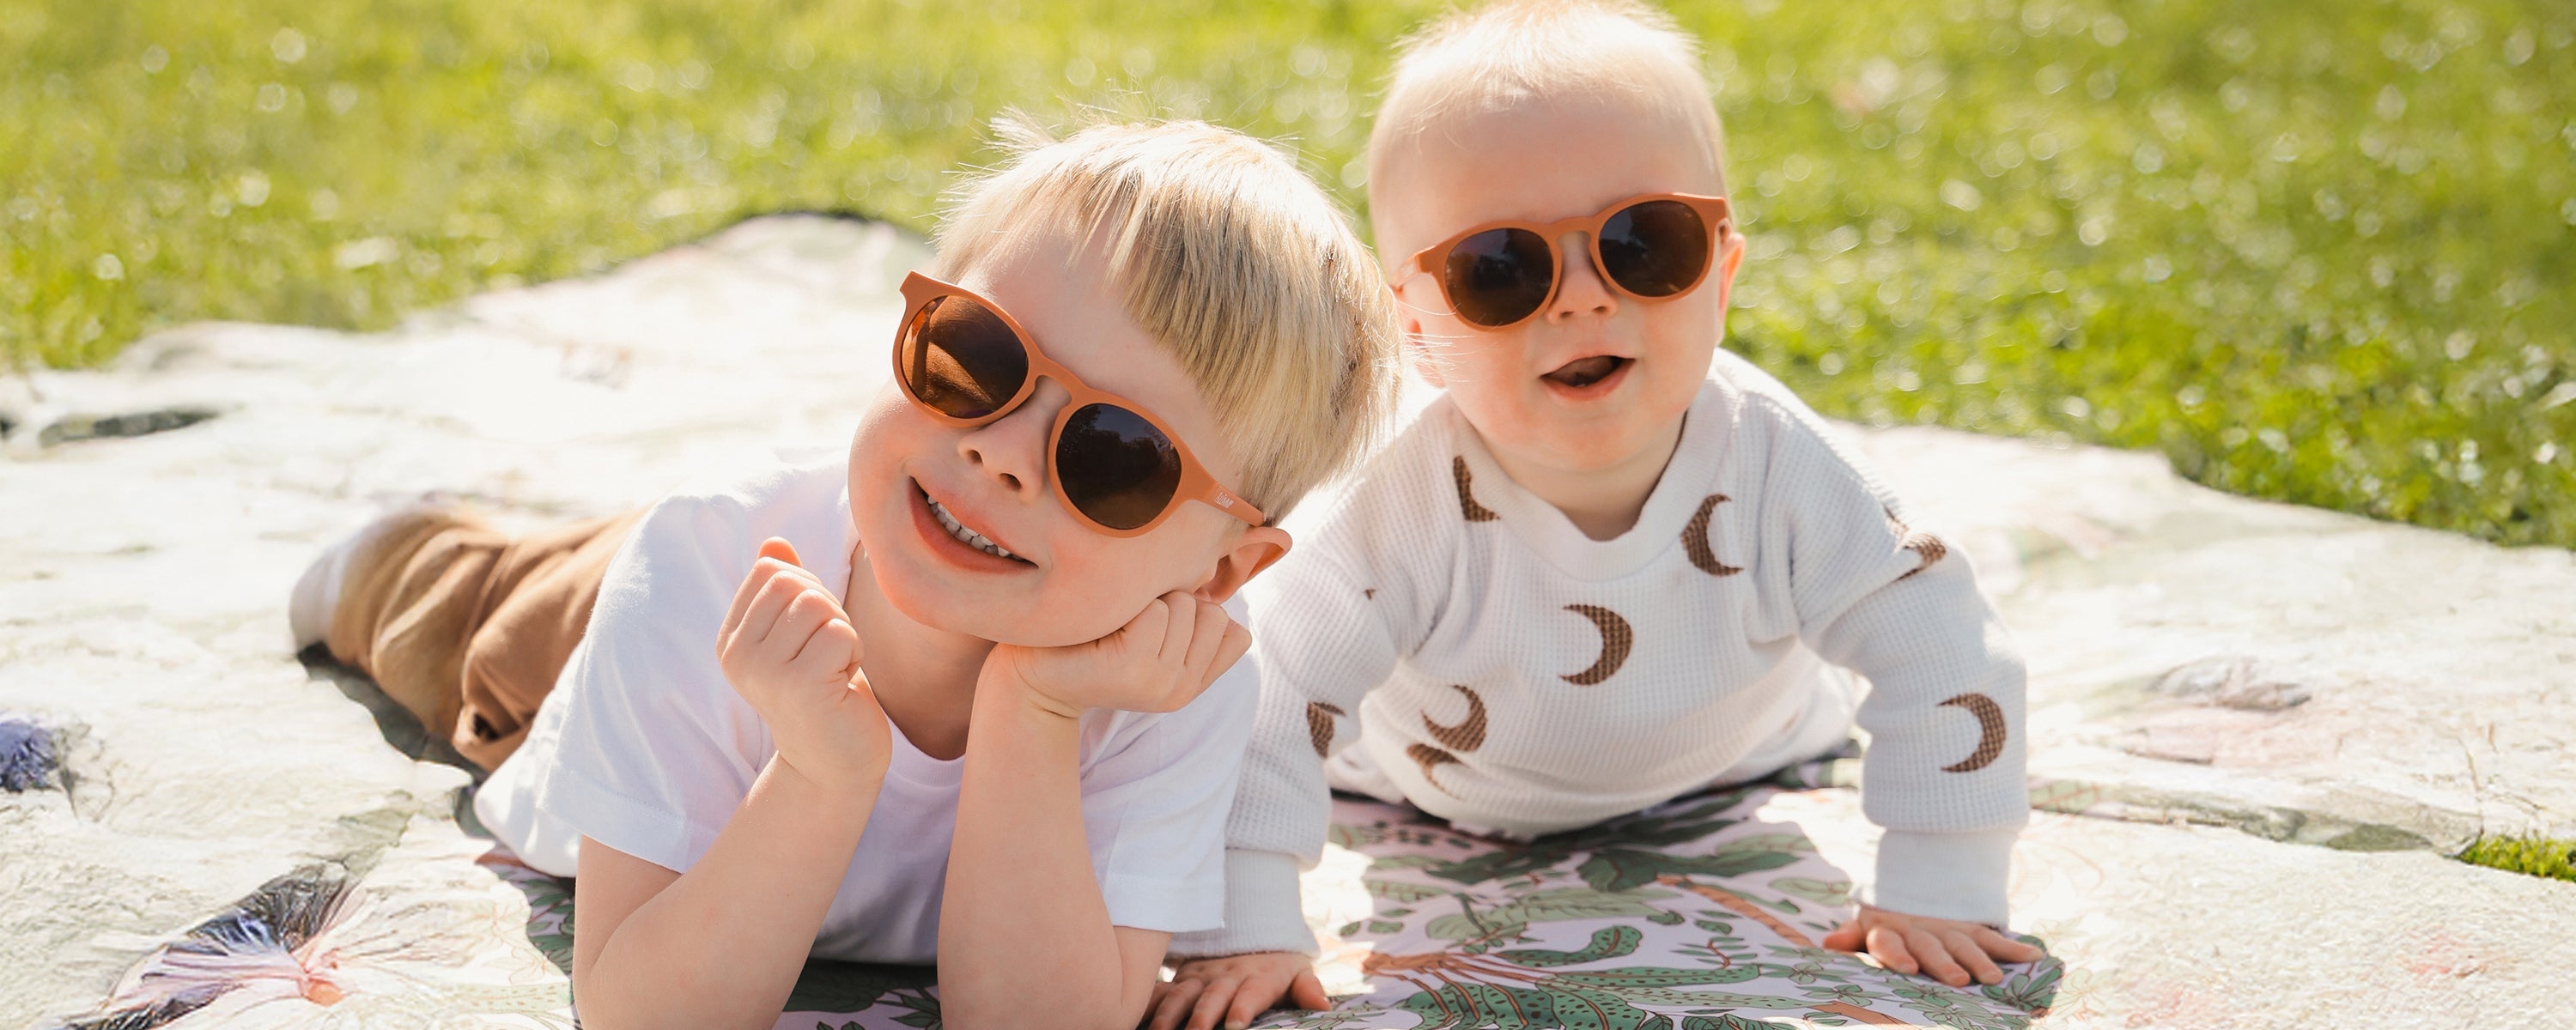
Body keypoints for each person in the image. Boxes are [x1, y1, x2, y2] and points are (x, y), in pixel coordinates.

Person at [287, 117, 1401, 1030]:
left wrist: (1035, 704)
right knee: (456, 614)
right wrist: (817, 775)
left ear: (1218, 570)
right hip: (587, 634)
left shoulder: (1180, 677)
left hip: (821, 551)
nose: (998, 454)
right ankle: (396, 555)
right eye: (977, 357)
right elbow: (639, 1014)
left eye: (1115, 460)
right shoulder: (695, 571)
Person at [1149, 4, 2041, 1027]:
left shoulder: (1777, 463)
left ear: (1723, 275)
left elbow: (1944, 645)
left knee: (1865, 650)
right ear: (1415, 329)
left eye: (1644, 244)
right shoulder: (1398, 499)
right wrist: (1252, 924)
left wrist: (1942, 879)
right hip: (1420, 778)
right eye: (1499, 271)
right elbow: (1272, 698)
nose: (1580, 299)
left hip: (1744, 742)